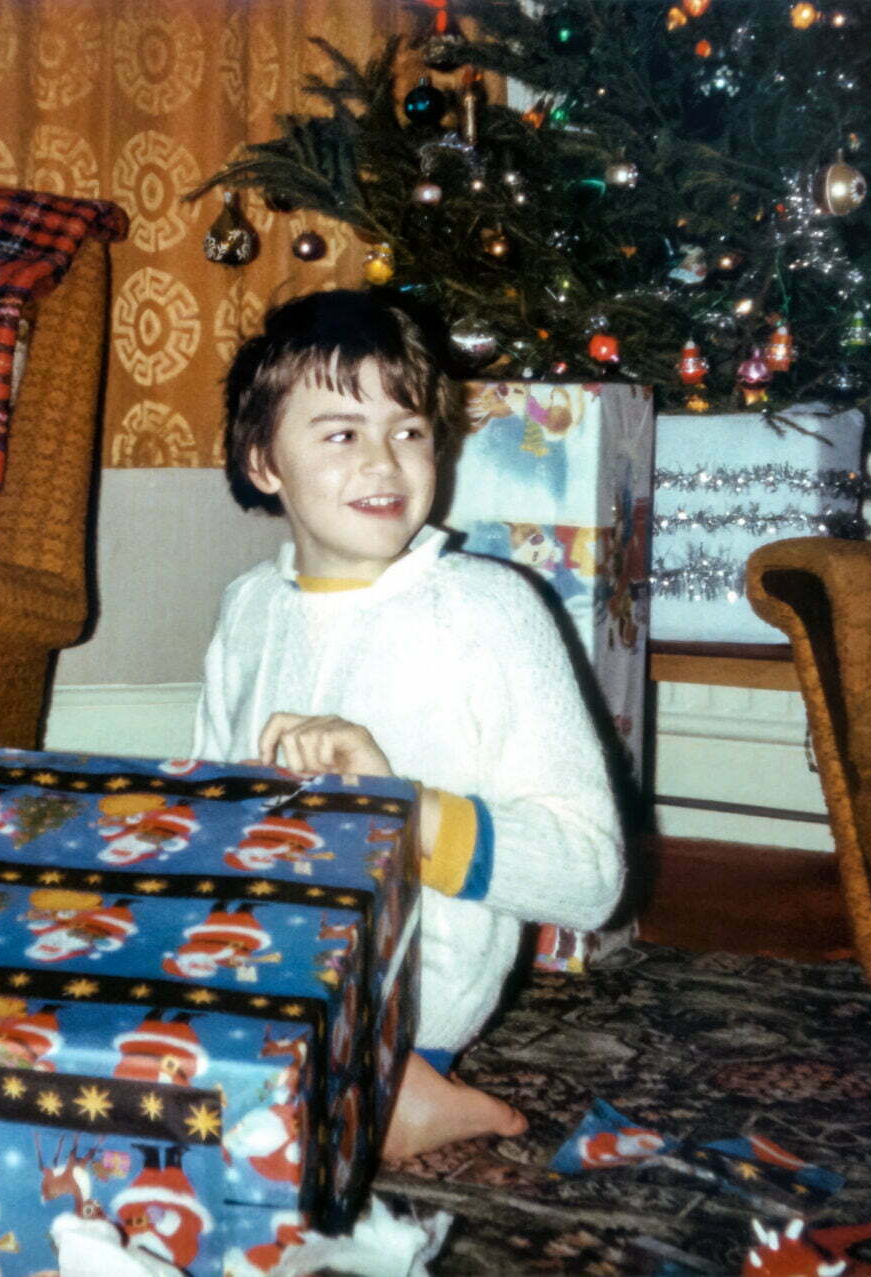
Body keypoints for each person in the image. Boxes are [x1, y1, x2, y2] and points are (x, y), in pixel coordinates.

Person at [193, 290, 623, 1160]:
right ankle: (356, 1093)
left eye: (410, 429)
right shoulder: (248, 608)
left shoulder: (491, 609)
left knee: (261, 1142)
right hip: (257, 975)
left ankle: (403, 1088)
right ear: (264, 462)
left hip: (408, 1001)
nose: (385, 462)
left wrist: (396, 809)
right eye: (342, 434)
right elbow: (208, 812)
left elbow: (591, 878)